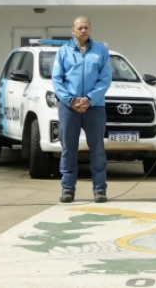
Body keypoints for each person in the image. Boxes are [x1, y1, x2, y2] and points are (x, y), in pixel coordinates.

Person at [52, 16, 112, 203]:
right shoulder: (63, 52)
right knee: (69, 149)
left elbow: (106, 78)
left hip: (94, 107)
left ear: (90, 29)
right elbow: (56, 79)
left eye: (86, 27)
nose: (83, 30)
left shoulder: (101, 50)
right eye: (79, 28)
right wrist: (70, 100)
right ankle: (68, 189)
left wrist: (89, 99)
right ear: (73, 30)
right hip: (69, 108)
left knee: (97, 149)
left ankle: (100, 190)